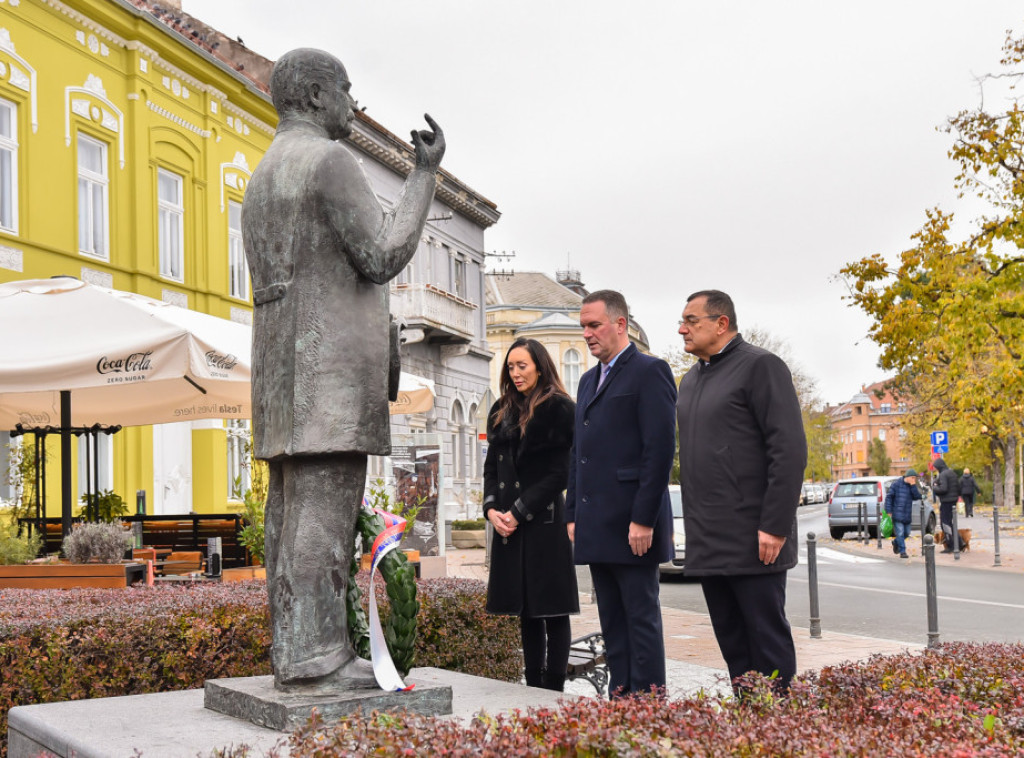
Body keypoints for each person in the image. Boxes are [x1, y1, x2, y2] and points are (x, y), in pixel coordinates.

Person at [242, 48, 445, 689]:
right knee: (323, 522)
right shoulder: (328, 160)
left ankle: (294, 650)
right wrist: (422, 175)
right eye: (346, 90)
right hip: (326, 379)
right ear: (314, 95)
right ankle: (316, 658)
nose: (353, 103)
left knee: (287, 519)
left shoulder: (265, 172)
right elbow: (381, 252)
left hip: (283, 376)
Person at [675, 290, 806, 693]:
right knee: (733, 645)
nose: (682, 329)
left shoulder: (761, 366)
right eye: (681, 321)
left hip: (755, 538)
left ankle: (779, 728)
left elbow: (789, 451)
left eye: (691, 320)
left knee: (766, 643)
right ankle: (749, 728)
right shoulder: (690, 380)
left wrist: (775, 525)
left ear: (721, 323)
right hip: (709, 540)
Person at [565, 290, 677, 697]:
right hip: (596, 523)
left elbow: (660, 451)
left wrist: (644, 518)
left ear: (620, 324)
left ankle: (648, 703)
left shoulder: (650, 371)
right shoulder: (587, 380)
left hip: (633, 523)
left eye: (594, 325)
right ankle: (621, 698)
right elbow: (579, 452)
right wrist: (572, 512)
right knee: (612, 619)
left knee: (640, 617)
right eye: (583, 327)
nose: (587, 334)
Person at [483, 338, 579, 692]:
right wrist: (492, 508)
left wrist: (518, 512)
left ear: (540, 366)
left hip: (544, 522)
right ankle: (532, 685)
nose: (516, 373)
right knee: (525, 610)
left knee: (552, 609)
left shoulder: (559, 408)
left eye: (522, 365)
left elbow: (559, 473)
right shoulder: (501, 409)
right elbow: (491, 468)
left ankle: (553, 689)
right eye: (511, 366)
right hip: (509, 524)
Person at [884, 469, 921, 559]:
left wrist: (913, 486)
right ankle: (902, 551)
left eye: (915, 478)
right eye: (913, 478)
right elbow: (889, 498)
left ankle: (896, 542)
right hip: (897, 513)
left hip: (907, 514)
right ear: (907, 477)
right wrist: (888, 511)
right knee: (900, 533)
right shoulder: (896, 484)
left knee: (907, 533)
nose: (914, 480)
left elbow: (917, 497)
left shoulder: (912, 486)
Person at [932, 457, 960, 553]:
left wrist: (935, 488)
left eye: (936, 467)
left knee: (945, 524)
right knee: (951, 523)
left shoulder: (943, 475)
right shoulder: (952, 473)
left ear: (939, 466)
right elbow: (958, 487)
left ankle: (950, 545)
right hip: (953, 500)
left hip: (946, 501)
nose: (935, 469)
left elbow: (943, 489)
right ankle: (959, 543)